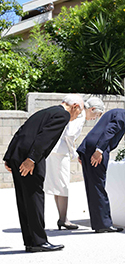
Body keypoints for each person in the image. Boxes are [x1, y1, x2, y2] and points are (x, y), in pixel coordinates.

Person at [3, 94, 84, 253]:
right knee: (34, 199)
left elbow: (22, 131)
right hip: (29, 159)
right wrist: (31, 159)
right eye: (78, 113)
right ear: (74, 106)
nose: (76, 117)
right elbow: (44, 138)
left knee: (24, 200)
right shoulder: (63, 114)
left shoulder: (47, 111)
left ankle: (31, 241)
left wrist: (9, 156)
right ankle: (39, 242)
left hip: (17, 155)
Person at [77, 105, 125, 233]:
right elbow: (109, 131)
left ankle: (100, 223)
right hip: (97, 149)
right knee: (98, 186)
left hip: (89, 148)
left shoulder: (117, 112)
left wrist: (83, 150)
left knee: (93, 187)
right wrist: (99, 150)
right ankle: (104, 224)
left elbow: (97, 130)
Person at [44, 97, 105, 230]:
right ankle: (63, 219)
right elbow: (69, 135)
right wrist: (75, 153)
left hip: (54, 151)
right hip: (60, 152)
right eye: (97, 115)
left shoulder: (79, 114)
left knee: (58, 185)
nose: (95, 118)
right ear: (92, 109)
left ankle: (62, 218)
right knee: (63, 184)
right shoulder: (80, 115)